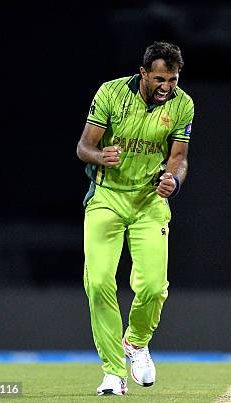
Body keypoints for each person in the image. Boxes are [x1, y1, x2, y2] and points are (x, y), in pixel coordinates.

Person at [76, 41, 194, 395]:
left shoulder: (183, 104)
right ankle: (113, 372)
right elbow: (84, 147)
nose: (166, 87)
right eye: (160, 78)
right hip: (107, 199)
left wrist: (174, 179)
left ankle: (136, 342)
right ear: (143, 73)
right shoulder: (111, 93)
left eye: (172, 79)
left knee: (155, 288)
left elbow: (179, 158)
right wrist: (100, 156)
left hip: (149, 204)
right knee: (98, 284)